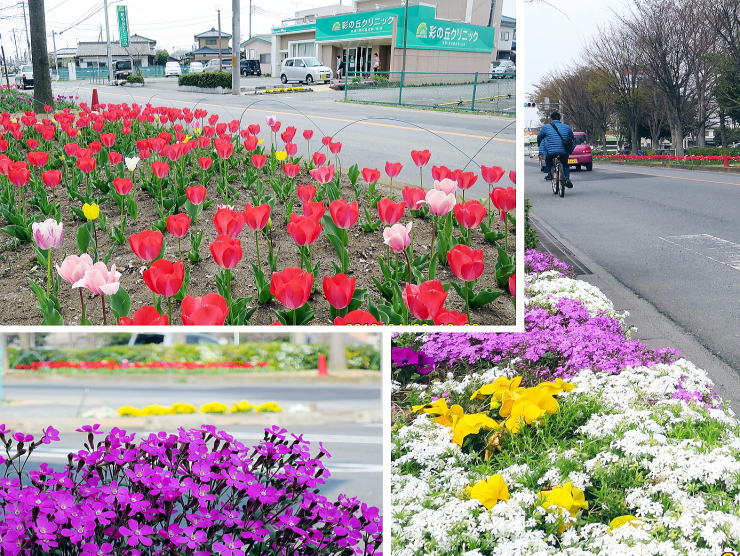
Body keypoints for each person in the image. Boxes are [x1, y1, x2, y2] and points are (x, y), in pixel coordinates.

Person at [537, 111, 575, 188]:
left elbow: (539, 137)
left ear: (551, 119)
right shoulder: (567, 127)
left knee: (549, 161)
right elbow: (572, 138)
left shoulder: (546, 127)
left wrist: (539, 145)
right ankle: (567, 178)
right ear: (560, 118)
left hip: (550, 152)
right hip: (564, 151)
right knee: (565, 165)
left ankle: (550, 174)